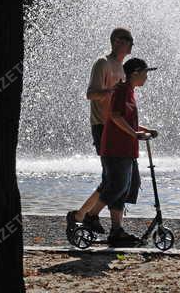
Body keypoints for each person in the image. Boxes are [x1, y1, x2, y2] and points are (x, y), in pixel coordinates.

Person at [68, 57, 158, 247]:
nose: (146, 77)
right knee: (117, 185)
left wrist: (145, 129)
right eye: (145, 73)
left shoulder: (129, 92)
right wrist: (134, 133)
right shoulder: (121, 91)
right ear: (135, 73)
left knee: (125, 187)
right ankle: (91, 216)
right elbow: (115, 117)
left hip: (126, 148)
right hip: (115, 148)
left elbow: (127, 121)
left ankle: (116, 231)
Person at [66, 28, 133, 238]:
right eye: (128, 40)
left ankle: (82, 217)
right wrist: (111, 92)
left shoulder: (121, 68)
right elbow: (90, 94)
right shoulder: (102, 63)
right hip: (102, 126)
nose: (132, 44)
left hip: (116, 127)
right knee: (113, 179)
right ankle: (88, 217)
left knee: (112, 179)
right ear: (116, 41)